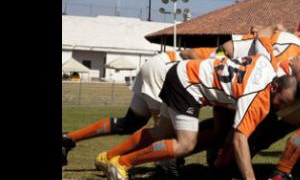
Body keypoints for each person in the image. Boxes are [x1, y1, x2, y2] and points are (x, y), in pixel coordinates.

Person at [104, 41, 298, 180]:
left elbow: (261, 39)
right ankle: (121, 164)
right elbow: (239, 139)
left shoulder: (267, 62)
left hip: (180, 72)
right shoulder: (258, 97)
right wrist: (250, 179)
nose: (280, 105)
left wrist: (266, 29)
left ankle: (108, 157)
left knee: (160, 132)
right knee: (185, 145)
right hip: (187, 84)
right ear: (274, 88)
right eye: (282, 100)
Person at [62, 46, 220, 168]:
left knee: (129, 123)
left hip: (156, 64)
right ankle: (113, 159)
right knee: (163, 130)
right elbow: (188, 53)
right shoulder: (225, 55)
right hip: (164, 70)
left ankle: (68, 138)